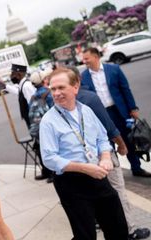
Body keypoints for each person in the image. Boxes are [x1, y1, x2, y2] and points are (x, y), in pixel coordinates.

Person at [39, 68, 128, 239]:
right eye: (53, 89)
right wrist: (85, 168)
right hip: (71, 182)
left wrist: (106, 156)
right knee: (85, 234)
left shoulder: (86, 110)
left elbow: (102, 137)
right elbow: (49, 159)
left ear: (75, 86)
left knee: (117, 226)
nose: (56, 93)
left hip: (97, 175)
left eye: (61, 88)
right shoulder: (48, 122)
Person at [68, 65, 151, 240]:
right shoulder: (89, 98)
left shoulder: (58, 104)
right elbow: (108, 127)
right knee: (117, 190)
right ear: (77, 81)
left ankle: (103, 222)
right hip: (100, 154)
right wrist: (121, 145)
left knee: (97, 193)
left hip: (79, 160)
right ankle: (129, 229)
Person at [81, 47, 151, 177]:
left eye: (86, 58)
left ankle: (136, 168)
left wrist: (133, 108)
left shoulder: (114, 69)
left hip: (119, 111)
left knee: (127, 140)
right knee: (107, 144)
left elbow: (125, 89)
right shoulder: (83, 77)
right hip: (100, 114)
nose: (84, 61)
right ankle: (115, 173)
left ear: (96, 57)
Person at [28, 69, 54, 182]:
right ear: (44, 80)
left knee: (44, 150)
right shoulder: (49, 93)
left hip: (38, 130)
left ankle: (47, 172)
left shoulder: (33, 97)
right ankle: (54, 174)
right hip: (51, 128)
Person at [0, 64, 36, 128]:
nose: (11, 76)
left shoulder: (26, 86)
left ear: (18, 75)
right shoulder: (22, 85)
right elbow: (18, 92)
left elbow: (33, 105)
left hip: (33, 120)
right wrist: (4, 85)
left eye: (12, 74)